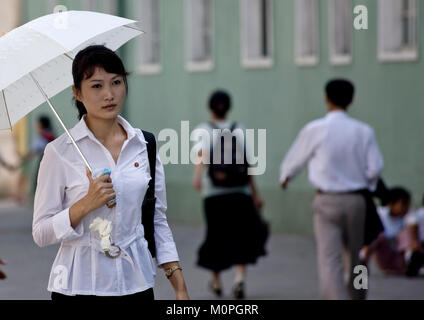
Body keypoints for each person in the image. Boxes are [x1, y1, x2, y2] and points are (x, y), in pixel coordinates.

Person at [32, 45, 189, 300]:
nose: (109, 94)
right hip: (78, 286)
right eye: (96, 86)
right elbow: (41, 232)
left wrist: (179, 284)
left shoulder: (144, 145)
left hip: (135, 284)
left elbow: (156, 219)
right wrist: (85, 204)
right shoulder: (59, 152)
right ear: (77, 93)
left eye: (116, 82)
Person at [279, 79, 384, 300]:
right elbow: (374, 168)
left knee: (330, 259)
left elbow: (295, 159)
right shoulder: (363, 131)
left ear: (326, 99)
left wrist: (286, 176)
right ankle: (358, 295)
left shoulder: (316, 129)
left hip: (327, 201)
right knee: (358, 254)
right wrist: (364, 183)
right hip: (357, 201)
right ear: (352, 100)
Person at [192, 90, 267, 299]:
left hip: (213, 194)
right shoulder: (239, 129)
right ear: (229, 108)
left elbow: (201, 156)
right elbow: (248, 165)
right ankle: (239, 279)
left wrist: (197, 177)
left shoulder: (203, 130)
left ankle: (216, 281)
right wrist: (255, 194)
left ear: (210, 108)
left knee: (215, 236)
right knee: (241, 236)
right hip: (240, 192)